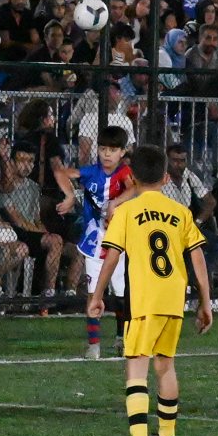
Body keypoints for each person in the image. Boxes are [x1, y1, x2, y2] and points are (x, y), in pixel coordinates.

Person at [89, 142, 215, 436]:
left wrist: (97, 295)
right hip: (174, 299)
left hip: (143, 300)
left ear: (130, 176)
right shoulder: (180, 212)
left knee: (135, 367)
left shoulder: (126, 212)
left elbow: (112, 256)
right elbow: (197, 257)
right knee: (166, 366)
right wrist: (206, 301)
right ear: (165, 177)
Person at [72, 123, 133, 358]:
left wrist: (115, 203)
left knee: (121, 293)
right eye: (103, 148)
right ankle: (94, 344)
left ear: (122, 152)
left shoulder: (124, 174)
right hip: (93, 241)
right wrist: (69, 195)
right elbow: (66, 174)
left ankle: (122, 338)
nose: (107, 153)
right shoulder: (92, 172)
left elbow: (134, 188)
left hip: (119, 241)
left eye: (113, 149)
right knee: (93, 292)